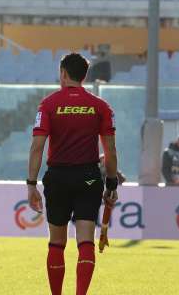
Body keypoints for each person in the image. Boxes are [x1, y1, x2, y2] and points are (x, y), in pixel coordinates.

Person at [26, 53, 119, 295]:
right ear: (84, 76)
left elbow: (37, 147)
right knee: (85, 241)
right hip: (88, 177)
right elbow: (109, 150)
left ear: (63, 73)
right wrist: (111, 184)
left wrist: (31, 183)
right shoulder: (101, 106)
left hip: (57, 177)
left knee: (57, 243)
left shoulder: (48, 104)